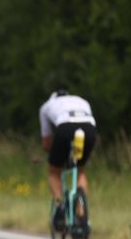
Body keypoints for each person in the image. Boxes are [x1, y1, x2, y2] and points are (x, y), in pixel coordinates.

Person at [39, 89, 97, 230]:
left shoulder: (46, 106)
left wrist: (54, 155)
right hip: (88, 129)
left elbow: (46, 143)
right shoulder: (81, 100)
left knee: (54, 172)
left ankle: (59, 204)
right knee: (80, 170)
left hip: (65, 128)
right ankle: (81, 212)